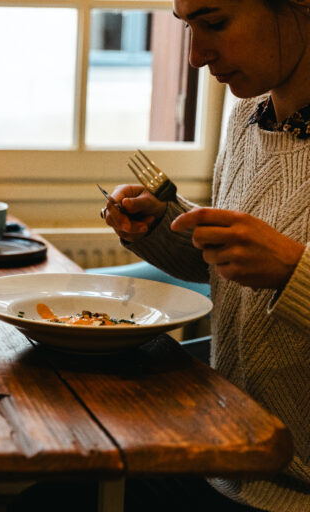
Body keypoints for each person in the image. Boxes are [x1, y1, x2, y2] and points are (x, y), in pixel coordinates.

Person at [100, 0, 310, 509]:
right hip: (224, 458)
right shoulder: (244, 120)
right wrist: (163, 227)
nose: (194, 56)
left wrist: (292, 271)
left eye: (214, 23)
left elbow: (281, 264)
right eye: (187, 28)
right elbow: (230, 269)